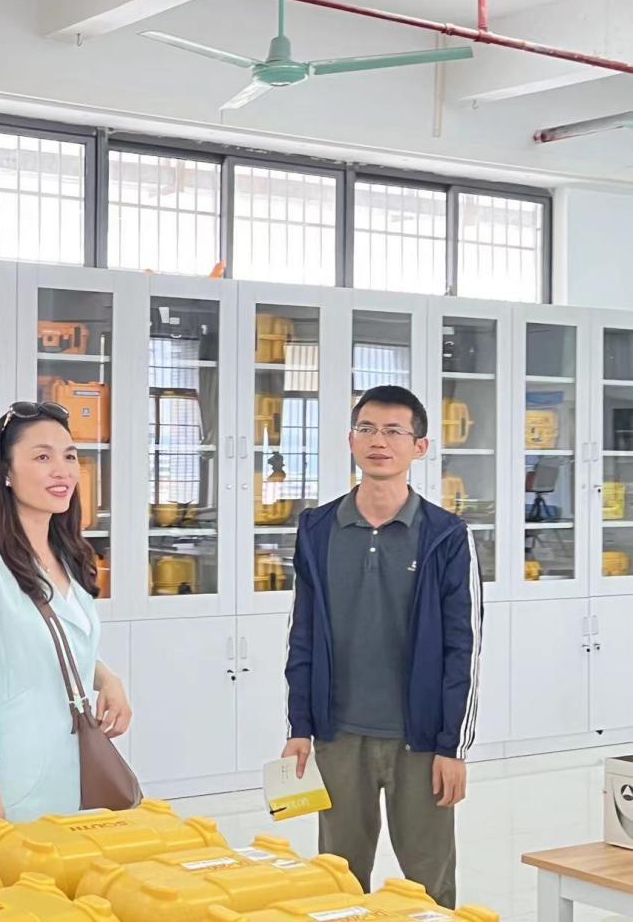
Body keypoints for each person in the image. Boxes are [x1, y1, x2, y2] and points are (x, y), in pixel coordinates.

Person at [281, 385, 482, 909]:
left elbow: (463, 647)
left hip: (420, 740)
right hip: (338, 734)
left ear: (420, 447)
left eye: (394, 431)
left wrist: (452, 747)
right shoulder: (317, 528)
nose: (379, 442)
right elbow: (303, 633)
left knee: (429, 885)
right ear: (350, 440)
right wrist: (299, 725)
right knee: (339, 880)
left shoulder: (446, 535)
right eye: (367, 429)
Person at [0, 401, 133, 852]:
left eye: (69, 456)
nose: (62, 470)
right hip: (10, 803)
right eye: (42, 456)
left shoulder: (69, 554)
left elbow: (52, 642)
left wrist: (107, 677)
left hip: (78, 796)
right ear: (5, 472)